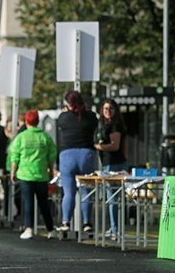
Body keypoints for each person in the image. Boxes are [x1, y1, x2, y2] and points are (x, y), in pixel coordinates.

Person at [9, 109, 57, 239]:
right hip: (41, 175)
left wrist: (13, 173)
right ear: (38, 121)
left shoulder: (21, 137)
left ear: (26, 121)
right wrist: (51, 171)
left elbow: (15, 156)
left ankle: (28, 229)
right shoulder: (45, 137)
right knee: (44, 203)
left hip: (25, 174)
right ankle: (51, 229)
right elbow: (51, 156)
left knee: (28, 202)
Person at [56, 90, 98, 235]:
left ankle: (66, 222)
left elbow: (60, 127)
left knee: (69, 192)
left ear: (68, 103)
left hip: (67, 155)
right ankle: (87, 223)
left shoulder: (63, 117)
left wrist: (66, 111)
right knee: (86, 191)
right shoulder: (91, 117)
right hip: (87, 154)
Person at [94, 98, 128, 241]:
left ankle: (115, 229)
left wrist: (99, 147)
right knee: (111, 198)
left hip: (115, 164)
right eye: (105, 108)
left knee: (113, 197)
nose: (108, 111)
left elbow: (115, 145)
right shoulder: (102, 124)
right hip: (107, 163)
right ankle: (114, 227)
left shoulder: (115, 125)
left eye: (111, 109)